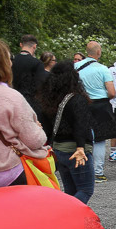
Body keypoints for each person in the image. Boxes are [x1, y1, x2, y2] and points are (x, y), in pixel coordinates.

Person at [0, 39, 48, 189]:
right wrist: (38, 129)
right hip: (9, 172)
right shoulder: (10, 97)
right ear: (2, 63)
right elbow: (34, 140)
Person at [35, 62, 92, 202]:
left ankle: (66, 218)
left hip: (59, 150)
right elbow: (80, 125)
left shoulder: (50, 99)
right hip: (75, 150)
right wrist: (80, 147)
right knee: (85, 190)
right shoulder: (77, 99)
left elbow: (46, 126)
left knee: (70, 191)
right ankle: (67, 217)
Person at [74, 41, 116, 184]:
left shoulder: (76, 67)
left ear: (86, 52)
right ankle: (98, 172)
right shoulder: (103, 69)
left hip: (82, 104)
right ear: (98, 52)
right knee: (99, 139)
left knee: (82, 136)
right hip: (100, 105)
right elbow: (111, 92)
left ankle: (82, 169)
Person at [11, 34, 45, 113]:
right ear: (35, 46)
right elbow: (40, 86)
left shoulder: (11, 61)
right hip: (28, 103)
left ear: (21, 44)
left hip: (11, 100)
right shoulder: (37, 63)